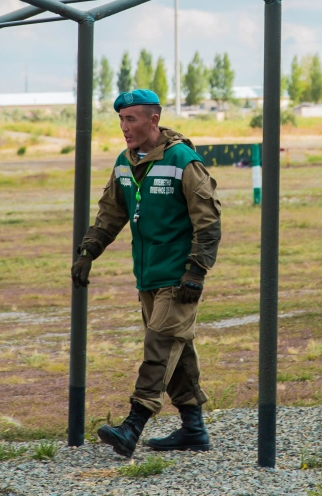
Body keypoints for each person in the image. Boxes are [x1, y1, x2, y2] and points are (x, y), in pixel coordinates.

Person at [72, 89, 222, 457]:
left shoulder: (182, 160)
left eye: (131, 119)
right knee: (177, 350)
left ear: (153, 120)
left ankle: (132, 425)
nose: (124, 127)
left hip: (178, 276)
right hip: (148, 276)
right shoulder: (125, 162)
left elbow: (209, 222)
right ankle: (193, 430)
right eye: (121, 119)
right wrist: (89, 250)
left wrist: (196, 273)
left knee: (158, 346)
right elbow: (111, 213)